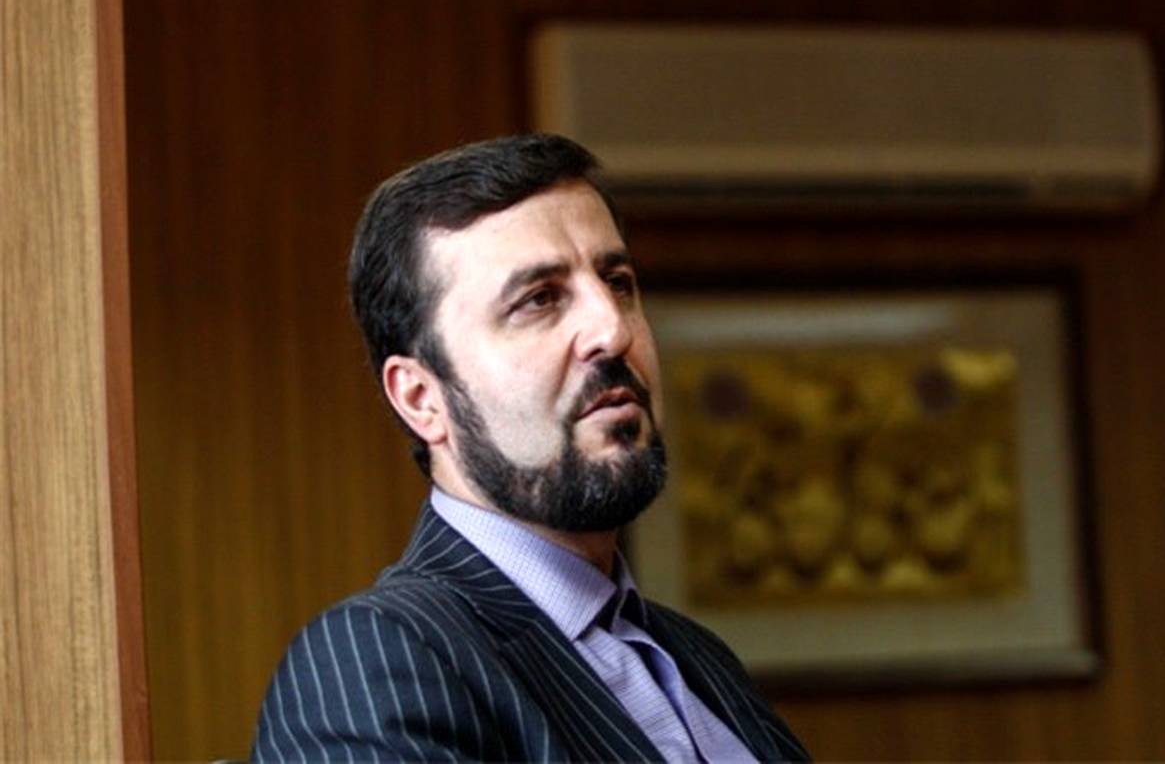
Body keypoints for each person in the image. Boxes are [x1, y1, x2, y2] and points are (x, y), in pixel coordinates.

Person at [251, 133, 811, 762]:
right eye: (539, 300)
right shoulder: (376, 659)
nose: (612, 330)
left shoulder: (698, 657)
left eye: (618, 282)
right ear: (421, 398)